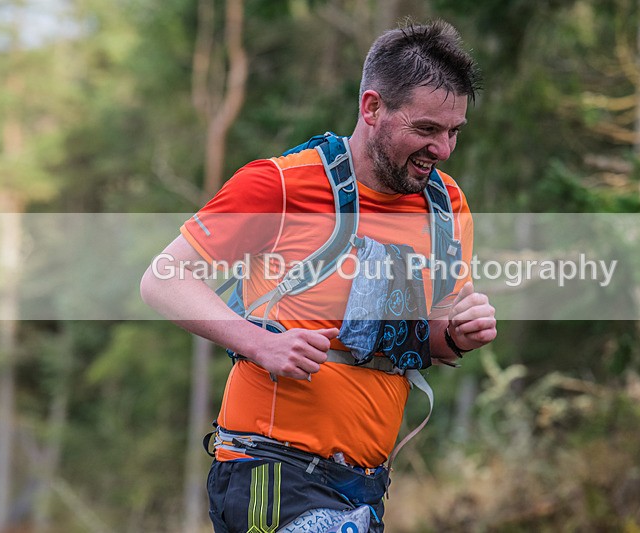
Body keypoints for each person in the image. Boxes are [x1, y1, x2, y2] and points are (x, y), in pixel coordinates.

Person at [140, 19, 496, 533]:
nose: (441, 149)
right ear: (372, 108)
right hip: (269, 468)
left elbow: (425, 339)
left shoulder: (447, 206)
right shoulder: (280, 186)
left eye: (452, 132)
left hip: (366, 485)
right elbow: (163, 280)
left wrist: (459, 335)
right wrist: (261, 344)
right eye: (425, 129)